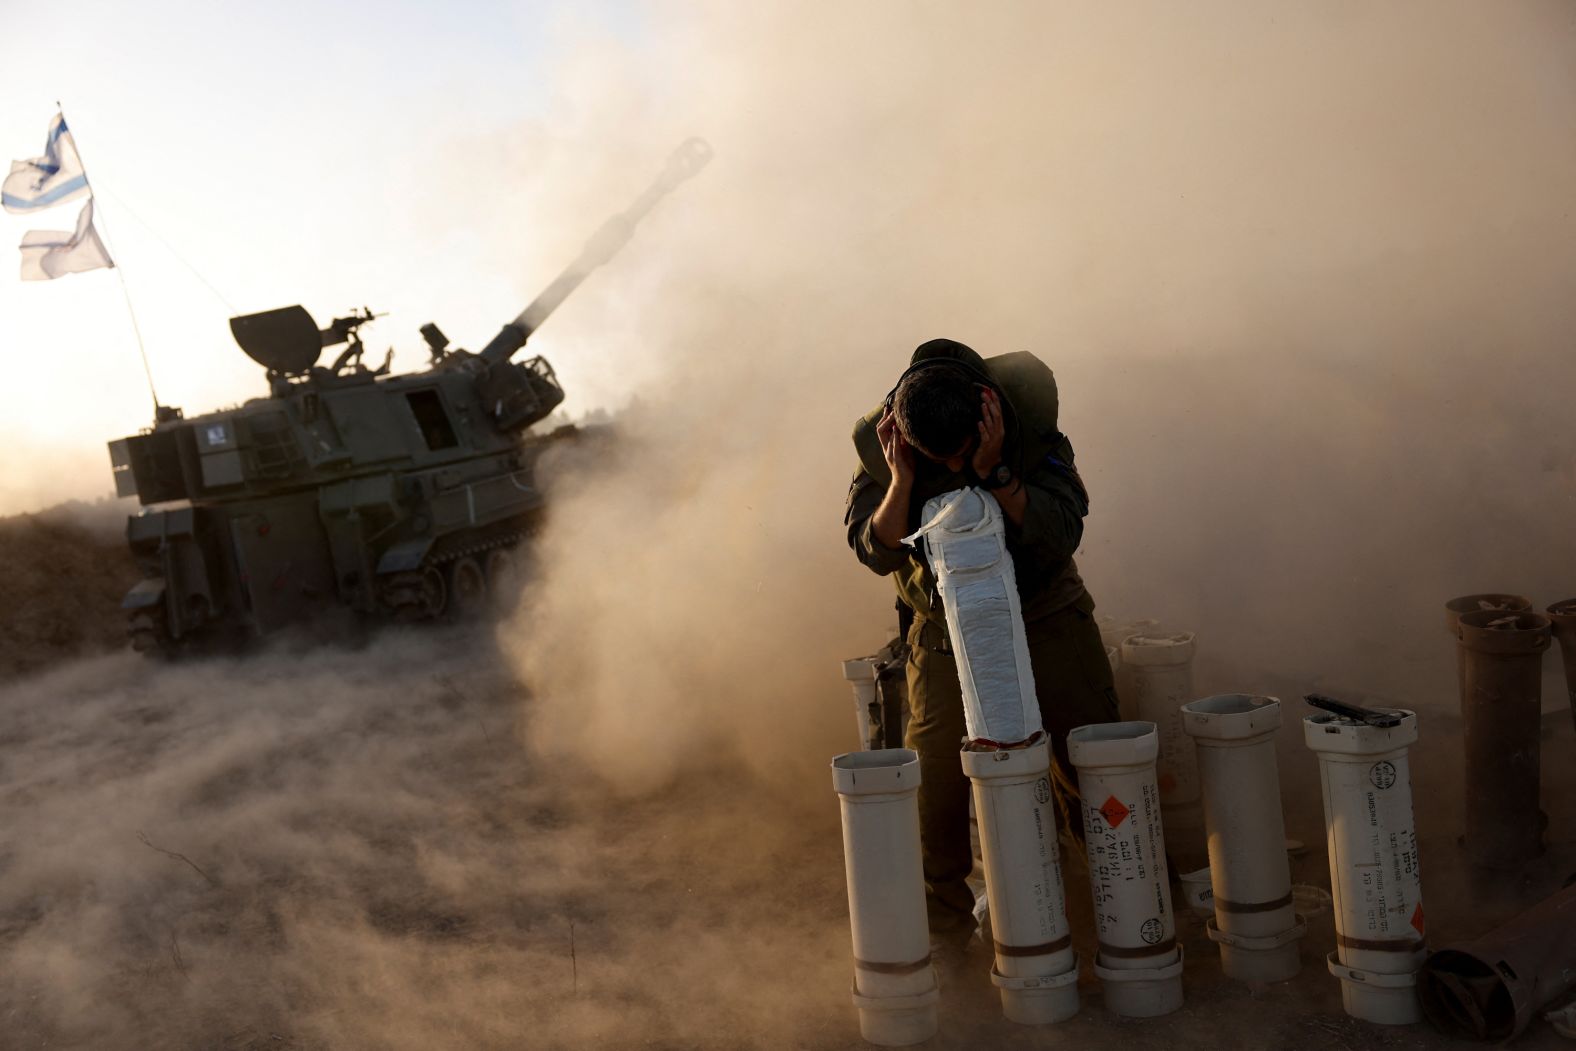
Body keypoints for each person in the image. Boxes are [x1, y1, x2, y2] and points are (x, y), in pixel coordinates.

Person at [844, 337, 1118, 945]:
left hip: (1044, 608)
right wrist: (901, 479)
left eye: (961, 451)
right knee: (936, 781)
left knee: (1090, 758)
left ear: (986, 413)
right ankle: (942, 927)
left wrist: (995, 473)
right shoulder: (887, 440)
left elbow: (1063, 527)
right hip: (942, 630)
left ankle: (1103, 904)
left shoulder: (1026, 416)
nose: (953, 465)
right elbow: (873, 547)